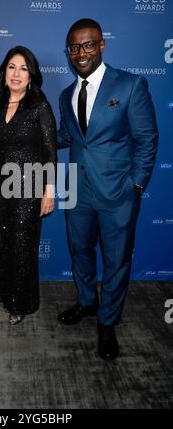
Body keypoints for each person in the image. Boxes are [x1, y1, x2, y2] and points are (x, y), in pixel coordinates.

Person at [57, 18, 158, 360]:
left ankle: (107, 322)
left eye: (88, 45)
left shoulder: (130, 85)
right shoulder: (65, 95)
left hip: (118, 193)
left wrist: (137, 184)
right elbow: (66, 138)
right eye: (74, 47)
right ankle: (87, 302)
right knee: (79, 250)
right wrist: (25, 117)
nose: (80, 53)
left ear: (101, 45)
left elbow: (147, 139)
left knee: (116, 261)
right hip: (76, 191)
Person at [0, 46, 57, 325]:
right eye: (12, 67)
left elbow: (50, 152)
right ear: (4, 73)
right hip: (1, 189)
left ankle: (21, 303)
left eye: (23, 68)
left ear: (31, 75)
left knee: (23, 246)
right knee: (2, 243)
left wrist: (49, 192)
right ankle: (4, 293)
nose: (16, 73)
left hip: (30, 190)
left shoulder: (40, 107)